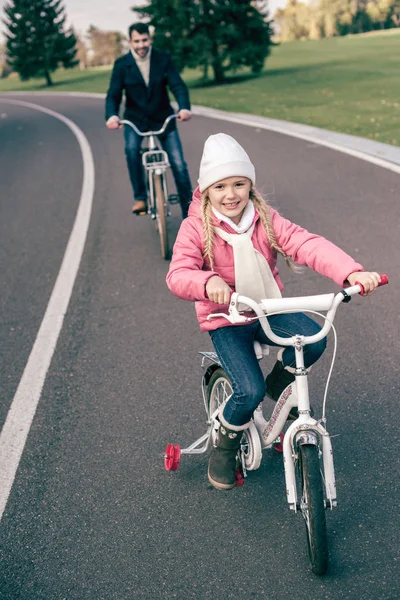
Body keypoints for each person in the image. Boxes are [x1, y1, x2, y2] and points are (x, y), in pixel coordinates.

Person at [166, 133, 381, 491]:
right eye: (220, 186)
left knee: (314, 339)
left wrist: (350, 272)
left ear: (250, 185)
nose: (231, 194)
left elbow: (305, 243)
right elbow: (179, 274)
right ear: (205, 190)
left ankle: (279, 386)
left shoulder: (265, 218)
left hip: (267, 308)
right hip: (228, 318)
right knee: (247, 392)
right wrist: (206, 283)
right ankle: (225, 443)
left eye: (239, 184)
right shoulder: (195, 227)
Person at [105, 22, 193, 218]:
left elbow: (177, 85)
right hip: (135, 120)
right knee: (131, 150)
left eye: (145, 40)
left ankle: (191, 215)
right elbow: (114, 94)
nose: (141, 44)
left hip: (163, 117)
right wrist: (112, 115)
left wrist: (184, 107)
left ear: (150, 39)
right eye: (137, 41)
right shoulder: (121, 64)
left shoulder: (163, 59)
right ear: (130, 41)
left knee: (178, 163)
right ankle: (141, 197)